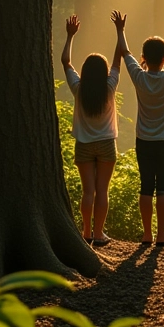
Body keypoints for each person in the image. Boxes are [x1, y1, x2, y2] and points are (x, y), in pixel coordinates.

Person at [114, 6, 164, 246]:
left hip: (143, 140)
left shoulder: (139, 77)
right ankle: (161, 234)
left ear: (144, 57)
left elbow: (124, 51)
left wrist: (120, 29)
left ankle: (147, 234)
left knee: (146, 185)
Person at [60, 13, 122, 247]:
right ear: (104, 72)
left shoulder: (79, 88)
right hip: (106, 144)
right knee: (102, 191)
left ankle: (85, 232)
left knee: (89, 192)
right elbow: (118, 60)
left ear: (85, 72)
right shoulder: (109, 87)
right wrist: (119, 31)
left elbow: (66, 62)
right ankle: (98, 233)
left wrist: (70, 35)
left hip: (84, 144)